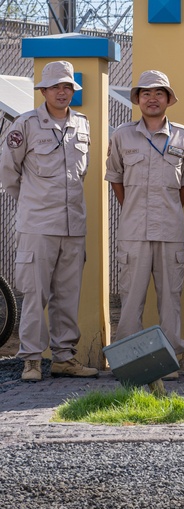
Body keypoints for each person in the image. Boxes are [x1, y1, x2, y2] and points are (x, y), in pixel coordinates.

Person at [0, 61, 97, 382]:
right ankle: (31, 360)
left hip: (73, 227)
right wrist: (32, 203)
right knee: (34, 294)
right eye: (56, 86)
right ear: (43, 91)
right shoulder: (25, 125)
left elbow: (80, 173)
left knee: (67, 295)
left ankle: (64, 357)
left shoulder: (82, 124)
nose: (62, 92)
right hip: (37, 227)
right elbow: (9, 174)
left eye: (67, 87)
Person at [105, 70, 184, 381]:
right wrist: (134, 210)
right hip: (134, 232)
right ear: (137, 99)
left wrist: (166, 211)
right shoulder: (121, 135)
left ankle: (168, 362)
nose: (152, 98)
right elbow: (116, 179)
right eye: (145, 93)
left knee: (171, 297)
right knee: (130, 299)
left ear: (168, 99)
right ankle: (129, 362)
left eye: (159, 93)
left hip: (171, 231)